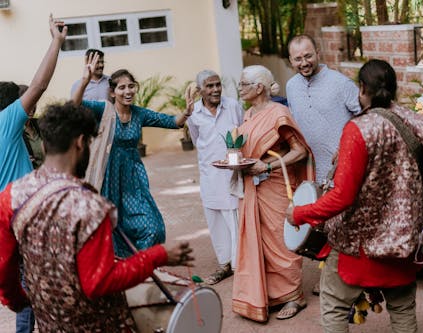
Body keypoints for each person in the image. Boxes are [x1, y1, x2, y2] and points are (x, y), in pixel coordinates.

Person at [0, 101, 194, 332]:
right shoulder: (91, 206)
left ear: (43, 145)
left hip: (50, 321)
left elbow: (4, 268)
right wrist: (159, 255)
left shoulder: (11, 196)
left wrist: (18, 300)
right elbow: (99, 282)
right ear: (81, 143)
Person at [286, 59, 423, 333]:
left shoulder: (358, 129)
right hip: (403, 243)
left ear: (362, 89)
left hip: (357, 246)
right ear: (394, 88)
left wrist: (299, 214)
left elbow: (342, 197)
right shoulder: (420, 125)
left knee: (334, 305)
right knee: (403, 310)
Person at [72, 57, 194, 258]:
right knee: (108, 226)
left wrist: (187, 112)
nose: (128, 91)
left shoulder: (139, 114)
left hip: (132, 178)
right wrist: (85, 80)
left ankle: (141, 264)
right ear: (112, 92)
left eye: (131, 86)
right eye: (122, 88)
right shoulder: (103, 110)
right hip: (106, 176)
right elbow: (74, 106)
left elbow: (173, 122)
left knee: (152, 226)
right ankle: (118, 270)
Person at [0, 15, 67, 333]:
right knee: (34, 286)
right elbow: (39, 85)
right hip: (22, 214)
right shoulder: (6, 122)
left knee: (21, 285)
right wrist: (56, 41)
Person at [232, 65, 314, 322]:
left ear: (259, 88)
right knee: (259, 239)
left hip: (276, 184)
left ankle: (293, 296)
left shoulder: (279, 113)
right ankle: (271, 295)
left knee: (281, 241)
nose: (239, 88)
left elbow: (299, 151)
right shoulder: (248, 114)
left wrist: (266, 166)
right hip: (253, 185)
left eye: (244, 83)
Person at [286, 33, 361, 296]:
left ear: (318, 52)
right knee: (324, 226)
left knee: (347, 222)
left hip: (347, 166)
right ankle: (330, 278)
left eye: (308, 56)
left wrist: (346, 147)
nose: (304, 62)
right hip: (315, 169)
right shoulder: (291, 87)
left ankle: (354, 280)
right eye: (298, 59)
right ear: (290, 60)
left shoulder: (340, 83)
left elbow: (364, 115)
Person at [186, 70, 244, 284]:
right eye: (209, 86)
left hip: (232, 174)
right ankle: (224, 264)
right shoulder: (194, 112)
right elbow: (196, 139)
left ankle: (240, 266)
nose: (215, 90)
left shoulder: (233, 106)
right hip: (209, 175)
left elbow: (242, 133)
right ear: (200, 89)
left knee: (234, 220)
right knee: (215, 220)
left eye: (218, 85)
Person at [18, 85, 44, 169]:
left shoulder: (40, 123)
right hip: (27, 178)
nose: (32, 108)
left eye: (34, 102)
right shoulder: (14, 131)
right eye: (29, 103)